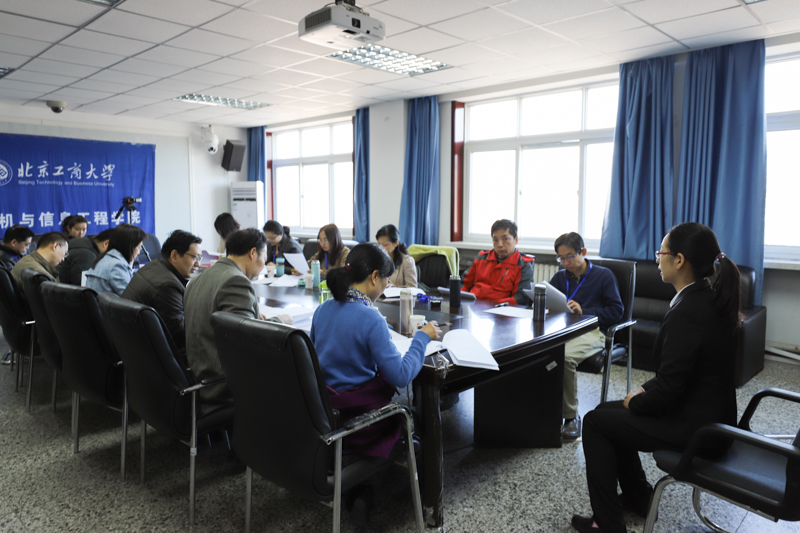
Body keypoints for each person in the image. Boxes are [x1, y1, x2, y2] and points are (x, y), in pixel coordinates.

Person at [571, 222, 740, 533]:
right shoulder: (707, 299)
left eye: (661, 253)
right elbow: (682, 375)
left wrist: (638, 401)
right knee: (608, 412)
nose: (657, 259)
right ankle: (639, 497)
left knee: (595, 423)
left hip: (698, 429)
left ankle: (607, 524)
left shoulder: (689, 312)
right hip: (709, 417)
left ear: (679, 260)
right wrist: (641, 391)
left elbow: (670, 387)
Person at [310, 243, 441, 458]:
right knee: (414, 420)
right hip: (359, 422)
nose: (385, 286)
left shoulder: (322, 309)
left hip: (324, 417)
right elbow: (401, 376)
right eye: (386, 280)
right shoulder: (371, 318)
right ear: (374, 277)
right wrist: (422, 337)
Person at [184, 228, 290, 403]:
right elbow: (247, 343)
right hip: (224, 384)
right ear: (253, 253)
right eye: (264, 258)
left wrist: (252, 317)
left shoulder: (197, 279)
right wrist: (280, 321)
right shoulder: (236, 281)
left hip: (198, 376)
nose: (263, 265)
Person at [548, 232, 623, 441]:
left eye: (569, 256)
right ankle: (544, 409)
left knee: (564, 357)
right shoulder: (560, 277)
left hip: (592, 331)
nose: (565, 263)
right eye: (561, 258)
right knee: (535, 352)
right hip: (563, 329)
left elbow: (617, 311)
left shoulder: (604, 276)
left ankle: (571, 417)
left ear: (583, 252)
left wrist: (585, 311)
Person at [122, 230, 202, 355]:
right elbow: (179, 337)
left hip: (132, 348)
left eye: (200, 258)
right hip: (150, 355)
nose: (198, 264)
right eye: (194, 257)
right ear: (174, 256)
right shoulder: (168, 285)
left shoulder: (153, 266)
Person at [462, 219, 534, 305]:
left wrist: (493, 305)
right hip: (473, 306)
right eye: (495, 240)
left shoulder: (523, 265)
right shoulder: (481, 258)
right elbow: (463, 283)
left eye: (505, 239)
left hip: (501, 309)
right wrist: (462, 300)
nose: (500, 244)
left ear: (516, 240)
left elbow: (522, 298)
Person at [84, 224, 147, 295]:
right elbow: (131, 297)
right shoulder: (117, 266)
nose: (139, 252)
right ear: (129, 246)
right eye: (138, 247)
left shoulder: (104, 259)